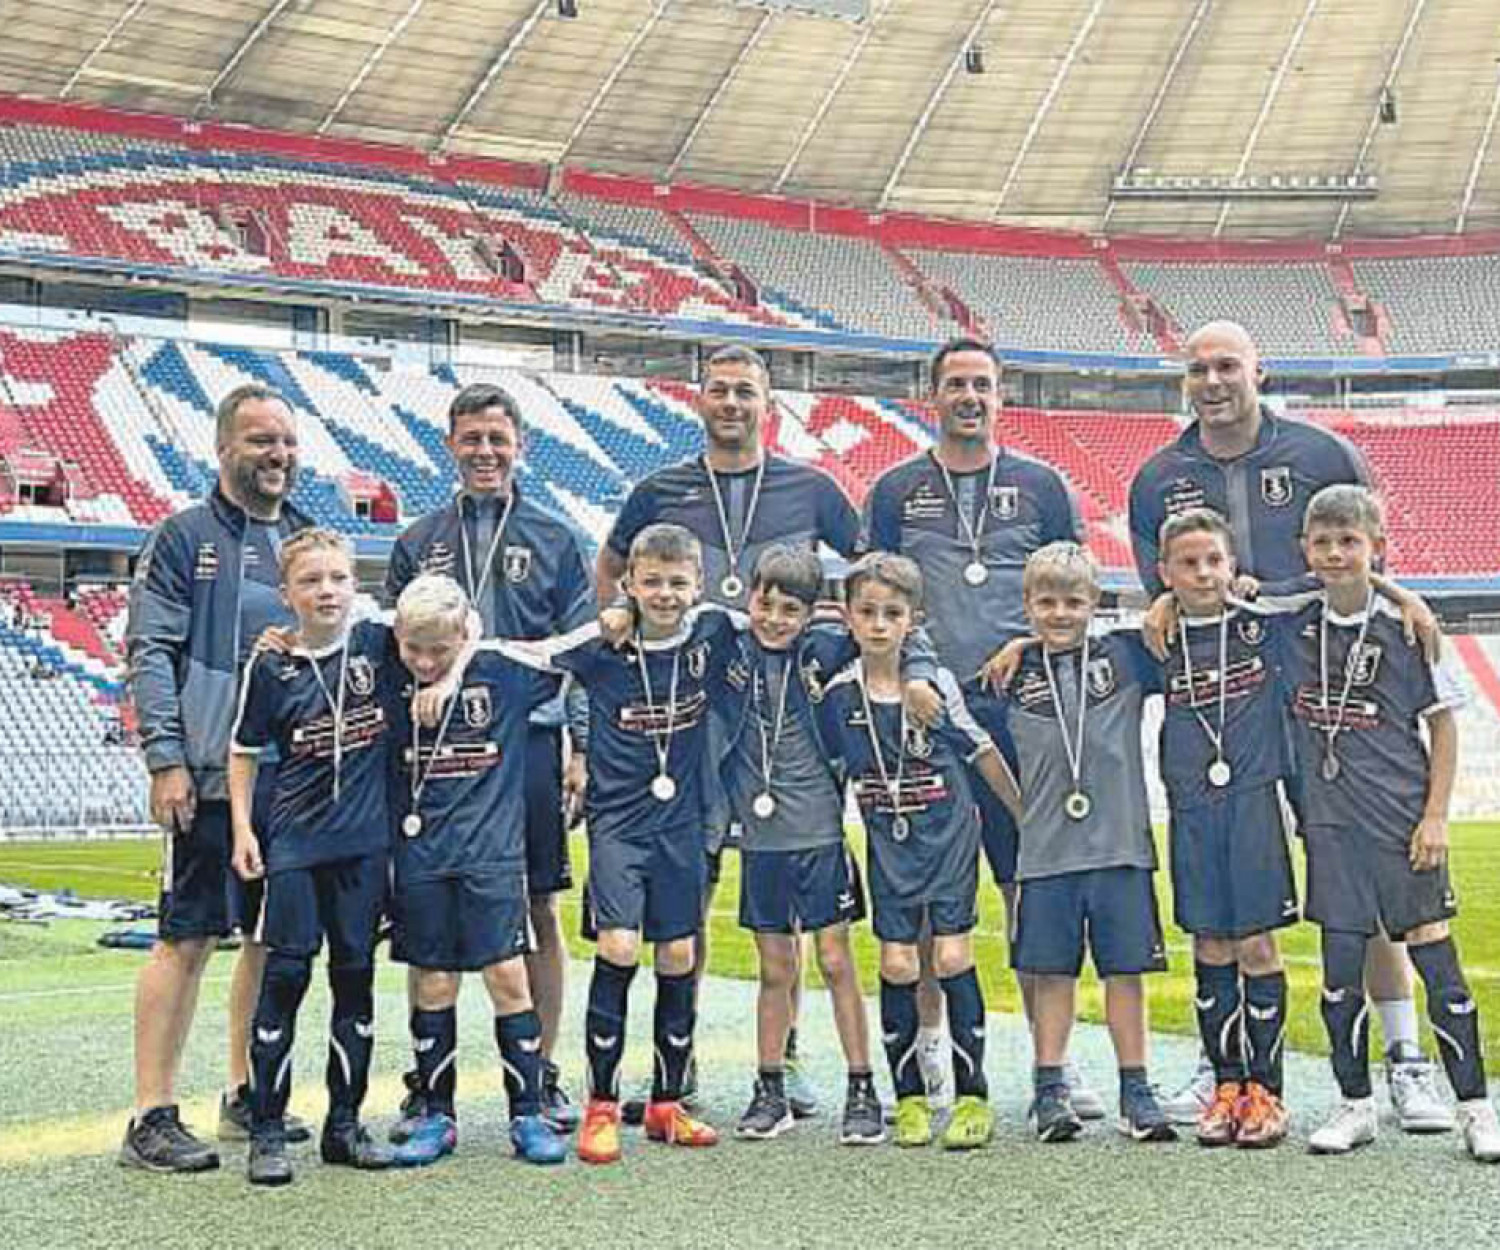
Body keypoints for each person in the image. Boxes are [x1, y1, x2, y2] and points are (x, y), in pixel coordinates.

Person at [1128, 319, 1448, 1134]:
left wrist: (1403, 597)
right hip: (1231, 709)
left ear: (1257, 370)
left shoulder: (1321, 455)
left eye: (1226, 365)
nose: (1212, 380)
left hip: (1326, 695)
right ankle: (1223, 1063)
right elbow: (1157, 589)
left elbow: (1370, 555)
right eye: (1197, 368)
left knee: (1365, 883)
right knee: (1228, 900)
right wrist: (1166, 597)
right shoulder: (1158, 476)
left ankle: (1405, 1059)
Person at [597, 344, 861, 1118]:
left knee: (789, 910)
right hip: (693, 733)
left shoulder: (810, 487)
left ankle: (786, 1057)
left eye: (747, 391)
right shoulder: (660, 488)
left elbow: (871, 564)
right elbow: (611, 567)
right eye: (720, 390)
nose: (733, 403)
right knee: (694, 898)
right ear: (699, 400)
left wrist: (839, 627)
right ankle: (684, 1065)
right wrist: (617, 615)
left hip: (783, 734)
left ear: (767, 403)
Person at [862, 337, 1095, 1116]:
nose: (970, 396)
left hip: (1025, 712)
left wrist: (1030, 641)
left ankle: (1050, 1067)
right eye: (956, 383)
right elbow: (880, 595)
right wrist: (914, 674)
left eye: (983, 385)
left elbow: (1076, 589)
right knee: (926, 894)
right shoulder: (897, 490)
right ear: (934, 395)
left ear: (1001, 397)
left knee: (1029, 888)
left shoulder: (1041, 486)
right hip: (924, 714)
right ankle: (931, 1055)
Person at [385, 381, 593, 1135]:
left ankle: (542, 1073)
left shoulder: (556, 537)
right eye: (471, 439)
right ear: (450, 444)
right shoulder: (418, 540)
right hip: (439, 754)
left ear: (520, 446)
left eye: (497, 439)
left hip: (530, 745)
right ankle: (427, 1084)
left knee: (537, 909)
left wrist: (581, 745)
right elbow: (389, 646)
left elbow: (581, 653)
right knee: (426, 910)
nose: (484, 452)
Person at [1274, 486, 1500, 1161]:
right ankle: (1355, 1105)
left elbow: (1444, 728)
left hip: (1403, 822)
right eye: (1324, 541)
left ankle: (1476, 1109)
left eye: (1351, 541)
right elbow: (1224, 596)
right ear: (1306, 551)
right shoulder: (1294, 626)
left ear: (1377, 548)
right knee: (1340, 971)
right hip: (1331, 828)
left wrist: (1436, 816)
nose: (1337, 553)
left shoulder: (1409, 632)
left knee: (1438, 963)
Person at [120, 383, 310, 1173]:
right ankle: (150, 1115)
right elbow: (150, 653)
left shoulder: (306, 539)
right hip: (201, 775)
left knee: (266, 942)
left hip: (288, 784)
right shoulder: (181, 536)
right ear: (224, 447)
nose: (278, 455)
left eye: (287, 442)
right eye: (262, 440)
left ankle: (246, 1092)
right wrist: (166, 758)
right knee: (186, 937)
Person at [721, 544, 936, 1146]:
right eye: (767, 603)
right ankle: (770, 1088)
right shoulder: (728, 644)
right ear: (751, 596)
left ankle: (861, 1086)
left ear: (814, 613)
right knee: (775, 968)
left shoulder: (826, 649)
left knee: (836, 961)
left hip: (818, 834)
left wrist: (918, 673)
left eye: (792, 609)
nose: (775, 618)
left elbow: (899, 636)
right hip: (760, 841)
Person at [814, 553, 1018, 1152]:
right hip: (888, 841)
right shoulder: (837, 697)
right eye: (868, 613)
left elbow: (978, 752)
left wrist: (1020, 814)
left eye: (893, 614)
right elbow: (829, 772)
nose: (879, 625)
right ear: (848, 618)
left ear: (914, 621)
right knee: (899, 965)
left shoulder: (935, 687)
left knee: (952, 957)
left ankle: (973, 1095)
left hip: (949, 832)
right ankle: (908, 1100)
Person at [554, 523, 742, 1164]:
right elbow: (530, 658)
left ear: (699, 585)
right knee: (620, 945)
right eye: (652, 582)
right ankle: (601, 1106)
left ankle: (666, 1104)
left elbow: (779, 629)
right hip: (619, 824)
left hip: (682, 825)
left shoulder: (714, 634)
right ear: (628, 583)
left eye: (678, 582)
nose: (665, 594)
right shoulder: (602, 647)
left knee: (679, 953)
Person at [984, 543, 1174, 1144]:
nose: (1060, 613)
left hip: (1120, 848)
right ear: (1027, 605)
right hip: (1043, 853)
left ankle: (1136, 1090)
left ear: (1095, 603)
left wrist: (1166, 598)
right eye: (1046, 602)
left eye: (1073, 601)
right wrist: (1017, 647)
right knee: (1050, 975)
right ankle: (1049, 1089)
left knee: (1125, 972)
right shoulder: (1009, 673)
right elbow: (947, 705)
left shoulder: (1126, 656)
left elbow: (1188, 622)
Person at [380, 573, 570, 1169]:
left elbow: (573, 651)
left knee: (509, 980)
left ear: (464, 634)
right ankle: (436, 1114)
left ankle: (529, 1113)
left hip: (492, 860)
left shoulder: (501, 673)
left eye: (440, 648)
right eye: (415, 648)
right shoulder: (387, 671)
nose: (425, 661)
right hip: (421, 858)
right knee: (434, 983)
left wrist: (464, 662)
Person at [227, 529, 395, 1185]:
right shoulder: (270, 666)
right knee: (286, 978)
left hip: (364, 847)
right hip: (294, 844)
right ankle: (266, 1131)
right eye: (311, 581)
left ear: (355, 586)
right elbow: (242, 752)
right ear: (286, 594)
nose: (327, 590)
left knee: (354, 980)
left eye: (338, 578)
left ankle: (344, 1126)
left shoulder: (379, 645)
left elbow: (460, 624)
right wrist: (244, 829)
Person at [1153, 509, 1296, 1149]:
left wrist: (1410, 601)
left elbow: (1336, 592)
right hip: (1191, 809)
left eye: (1214, 559)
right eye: (1188, 562)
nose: (1204, 572)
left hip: (1254, 804)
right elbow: (1072, 643)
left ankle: (1267, 1091)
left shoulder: (1266, 631)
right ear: (1166, 573)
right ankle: (1227, 1085)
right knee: (1209, 946)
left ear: (1233, 565)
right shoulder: (1152, 642)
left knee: (1259, 947)